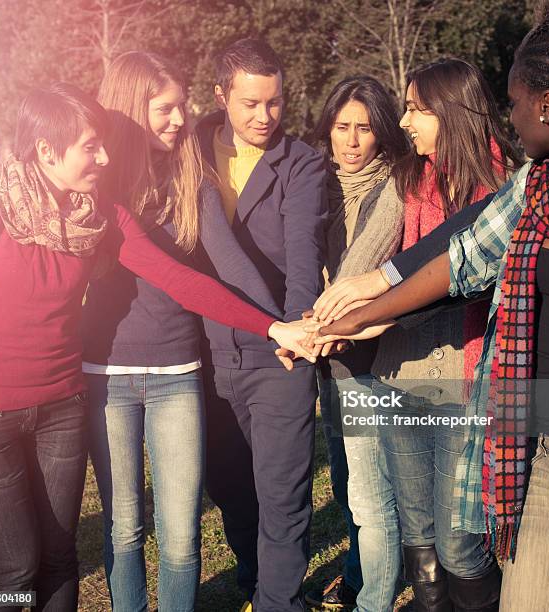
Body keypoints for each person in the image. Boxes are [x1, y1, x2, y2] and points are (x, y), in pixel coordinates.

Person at [0, 82, 314, 612]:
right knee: (13, 567)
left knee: (61, 554)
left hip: (62, 406)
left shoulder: (98, 213)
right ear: (46, 150)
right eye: (90, 146)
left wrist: (273, 327)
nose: (103, 157)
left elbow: (180, 279)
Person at [314, 10, 549, 612]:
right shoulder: (532, 190)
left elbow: (460, 270)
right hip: (481, 410)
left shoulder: (506, 178)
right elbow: (452, 252)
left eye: (416, 108)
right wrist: (355, 309)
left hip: (471, 389)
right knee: (437, 547)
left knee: (463, 547)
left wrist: (371, 311)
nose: (401, 120)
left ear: (545, 105)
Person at [81, 51, 308, 612]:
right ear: (132, 110)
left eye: (183, 107)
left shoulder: (189, 174)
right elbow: (164, 275)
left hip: (180, 366)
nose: (181, 120)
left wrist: (278, 326)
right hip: (107, 368)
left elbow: (225, 262)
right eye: (166, 109)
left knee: (181, 536)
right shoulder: (96, 183)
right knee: (126, 527)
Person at [194, 38, 327, 612]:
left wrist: (293, 331)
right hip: (204, 354)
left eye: (274, 103)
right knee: (228, 486)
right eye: (250, 103)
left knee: (283, 494)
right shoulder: (190, 151)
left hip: (279, 353)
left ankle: (279, 601)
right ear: (220, 95)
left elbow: (303, 255)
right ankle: (253, 579)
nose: (264, 117)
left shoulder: (301, 162)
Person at [304, 76, 409, 612]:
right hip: (331, 359)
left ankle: (370, 592)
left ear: (381, 132)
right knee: (346, 480)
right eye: (342, 127)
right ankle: (357, 573)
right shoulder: (320, 187)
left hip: (371, 357)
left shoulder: (393, 188)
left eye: (363, 129)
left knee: (372, 493)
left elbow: (360, 276)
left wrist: (316, 323)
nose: (351, 140)